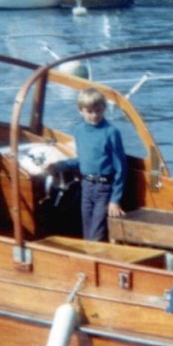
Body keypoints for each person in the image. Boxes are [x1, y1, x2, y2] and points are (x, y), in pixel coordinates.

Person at [56, 87, 126, 241]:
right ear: (80, 110)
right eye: (89, 111)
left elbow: (120, 169)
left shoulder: (111, 132)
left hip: (104, 189)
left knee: (97, 234)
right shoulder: (79, 131)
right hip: (86, 187)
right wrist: (60, 165)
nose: (94, 115)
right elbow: (82, 160)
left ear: (104, 109)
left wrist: (115, 200)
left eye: (98, 110)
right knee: (87, 233)